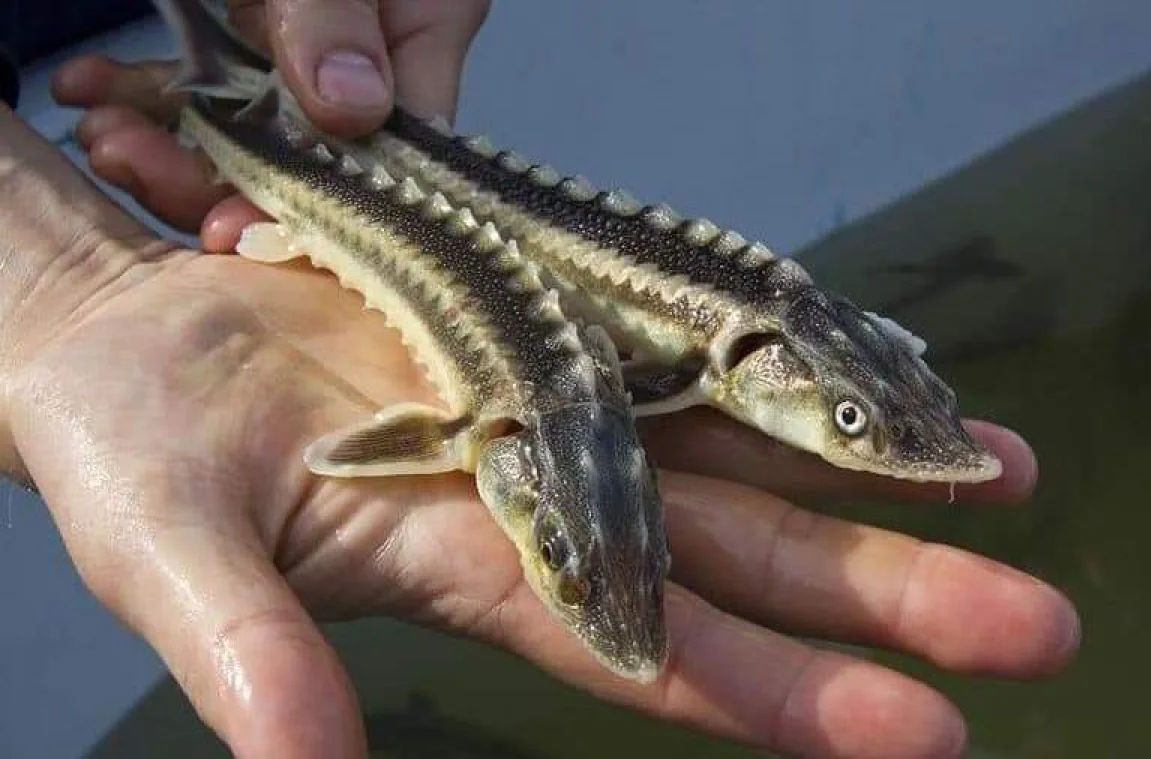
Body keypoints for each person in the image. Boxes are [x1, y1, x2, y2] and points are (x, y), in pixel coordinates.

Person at [0, 3, 1079, 758]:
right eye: (848, 415)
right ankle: (203, 79)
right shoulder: (568, 400)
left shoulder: (658, 374)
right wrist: (38, 283)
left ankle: (212, 67)